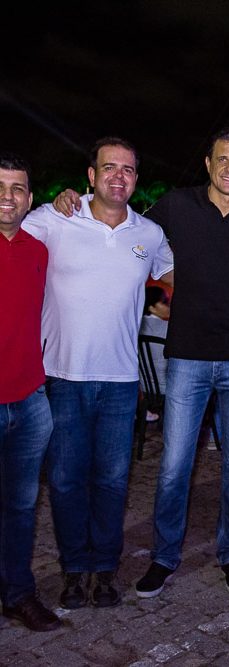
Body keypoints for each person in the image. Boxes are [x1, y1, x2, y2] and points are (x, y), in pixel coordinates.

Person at [55, 127, 229, 599]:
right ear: (208, 164)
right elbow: (126, 227)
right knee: (175, 464)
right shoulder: (176, 206)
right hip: (187, 356)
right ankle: (164, 556)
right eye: (222, 159)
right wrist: (74, 199)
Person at [23, 137, 174, 610]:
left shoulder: (149, 234)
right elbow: (9, 230)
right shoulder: (54, 219)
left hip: (121, 381)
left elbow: (182, 276)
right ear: (91, 175)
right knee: (66, 479)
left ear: (136, 178)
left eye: (127, 169)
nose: (118, 176)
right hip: (62, 376)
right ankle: (74, 568)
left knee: (112, 480)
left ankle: (105, 567)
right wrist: (54, 198)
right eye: (109, 167)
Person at [0, 154, 61, 632]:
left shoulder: (38, 250)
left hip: (29, 402)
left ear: (30, 199)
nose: (8, 197)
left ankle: (17, 593)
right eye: (0, 187)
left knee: (20, 508)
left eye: (17, 188)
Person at [139, 285, 170, 404]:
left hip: (144, 390)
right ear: (151, 308)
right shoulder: (169, 329)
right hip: (169, 391)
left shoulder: (135, 326)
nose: (169, 305)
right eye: (165, 302)